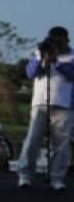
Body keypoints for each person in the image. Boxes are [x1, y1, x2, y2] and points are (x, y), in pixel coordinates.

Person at [16, 26, 74, 190]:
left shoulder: (72, 55)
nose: (56, 45)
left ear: (66, 41)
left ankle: (57, 178)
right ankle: (24, 175)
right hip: (40, 102)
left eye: (59, 42)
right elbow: (30, 73)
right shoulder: (39, 52)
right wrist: (43, 60)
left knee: (61, 144)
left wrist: (57, 63)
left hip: (65, 104)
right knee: (32, 139)